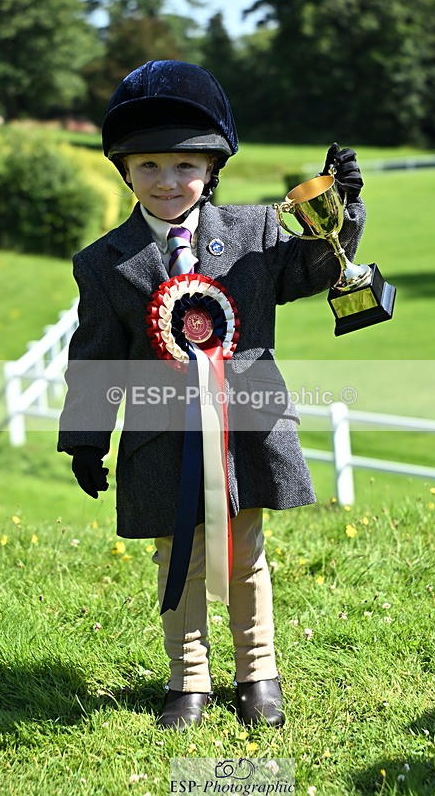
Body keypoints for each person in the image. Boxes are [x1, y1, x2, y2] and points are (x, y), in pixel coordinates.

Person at [58, 59, 365, 730]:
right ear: (125, 172)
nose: (168, 182)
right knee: (178, 562)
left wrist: (339, 213)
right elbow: (95, 358)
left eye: (183, 167)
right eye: (149, 168)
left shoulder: (255, 231)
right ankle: (188, 680)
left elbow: (312, 269)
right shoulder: (102, 263)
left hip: (244, 430)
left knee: (244, 555)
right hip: (158, 438)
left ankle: (259, 672)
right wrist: (84, 438)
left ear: (211, 168)